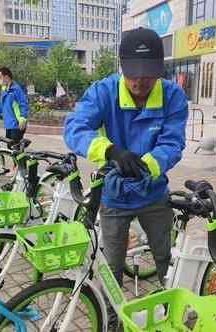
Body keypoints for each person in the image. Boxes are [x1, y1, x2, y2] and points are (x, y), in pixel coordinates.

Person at [64, 26, 188, 302]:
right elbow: (74, 128)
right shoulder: (103, 92)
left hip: (154, 192)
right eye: (133, 72)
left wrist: (147, 166)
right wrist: (111, 152)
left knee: (165, 256)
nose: (140, 81)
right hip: (114, 194)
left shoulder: (173, 96)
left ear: (159, 69)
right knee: (112, 265)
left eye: (148, 74)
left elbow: (173, 143)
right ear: (122, 65)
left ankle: (171, 305)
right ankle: (112, 314)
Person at [0, 67, 29, 143]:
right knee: (10, 148)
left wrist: (23, 118)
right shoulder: (4, 90)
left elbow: (23, 104)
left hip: (17, 124)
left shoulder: (16, 89)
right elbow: (1, 106)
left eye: (0, 77)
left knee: (15, 149)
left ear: (6, 77)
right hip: (9, 124)